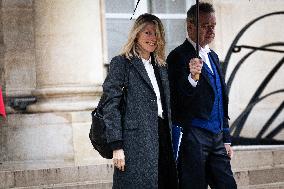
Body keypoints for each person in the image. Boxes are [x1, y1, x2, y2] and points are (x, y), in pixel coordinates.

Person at [102, 13, 178, 189]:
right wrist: (116, 146)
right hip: (134, 142)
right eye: (148, 33)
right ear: (136, 34)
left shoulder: (161, 67)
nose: (153, 38)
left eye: (156, 34)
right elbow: (110, 105)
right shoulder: (122, 63)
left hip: (163, 137)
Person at [167, 2, 237, 189]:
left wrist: (226, 137)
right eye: (206, 26)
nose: (211, 30)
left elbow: (221, 99)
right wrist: (191, 78)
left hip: (217, 136)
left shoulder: (213, 56)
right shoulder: (177, 56)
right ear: (190, 26)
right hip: (193, 136)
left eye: (213, 25)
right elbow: (176, 99)